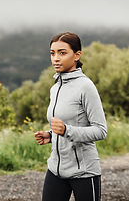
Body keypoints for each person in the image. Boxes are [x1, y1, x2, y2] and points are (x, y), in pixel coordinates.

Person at [34, 32, 107, 201]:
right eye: (52, 53)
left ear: (77, 55)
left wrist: (66, 130)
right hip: (56, 170)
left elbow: (101, 131)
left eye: (62, 52)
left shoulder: (85, 86)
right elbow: (66, 125)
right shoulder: (55, 87)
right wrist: (50, 135)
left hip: (84, 172)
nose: (56, 59)